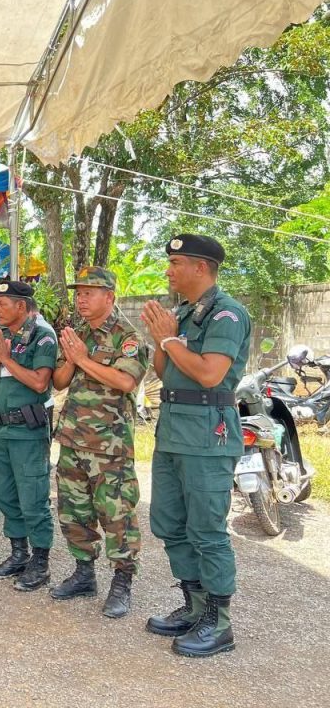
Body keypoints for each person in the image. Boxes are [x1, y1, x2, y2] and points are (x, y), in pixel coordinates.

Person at [140, 234, 250, 658]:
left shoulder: (226, 313)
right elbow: (164, 371)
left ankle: (219, 623)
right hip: (173, 429)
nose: (168, 271)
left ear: (200, 267)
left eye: (175, 263)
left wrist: (169, 340)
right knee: (169, 522)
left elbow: (208, 374)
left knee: (206, 529)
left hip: (207, 434)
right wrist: (161, 338)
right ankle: (195, 606)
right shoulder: (182, 313)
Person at [50, 267, 148, 618]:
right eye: (79, 293)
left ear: (109, 297)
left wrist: (83, 359)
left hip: (109, 446)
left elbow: (125, 382)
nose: (81, 299)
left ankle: (122, 582)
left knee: (116, 514)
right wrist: (70, 358)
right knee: (74, 511)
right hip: (73, 439)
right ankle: (83, 573)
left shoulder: (127, 336)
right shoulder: (77, 334)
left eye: (89, 292)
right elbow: (59, 382)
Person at [0, 281, 57, 592]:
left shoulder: (42, 335)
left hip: (27, 431)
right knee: (6, 495)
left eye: (2, 304)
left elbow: (40, 383)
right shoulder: (1, 336)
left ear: (21, 306)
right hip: (1, 429)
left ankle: (40, 561)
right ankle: (18, 553)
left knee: (33, 497)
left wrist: (8, 359)